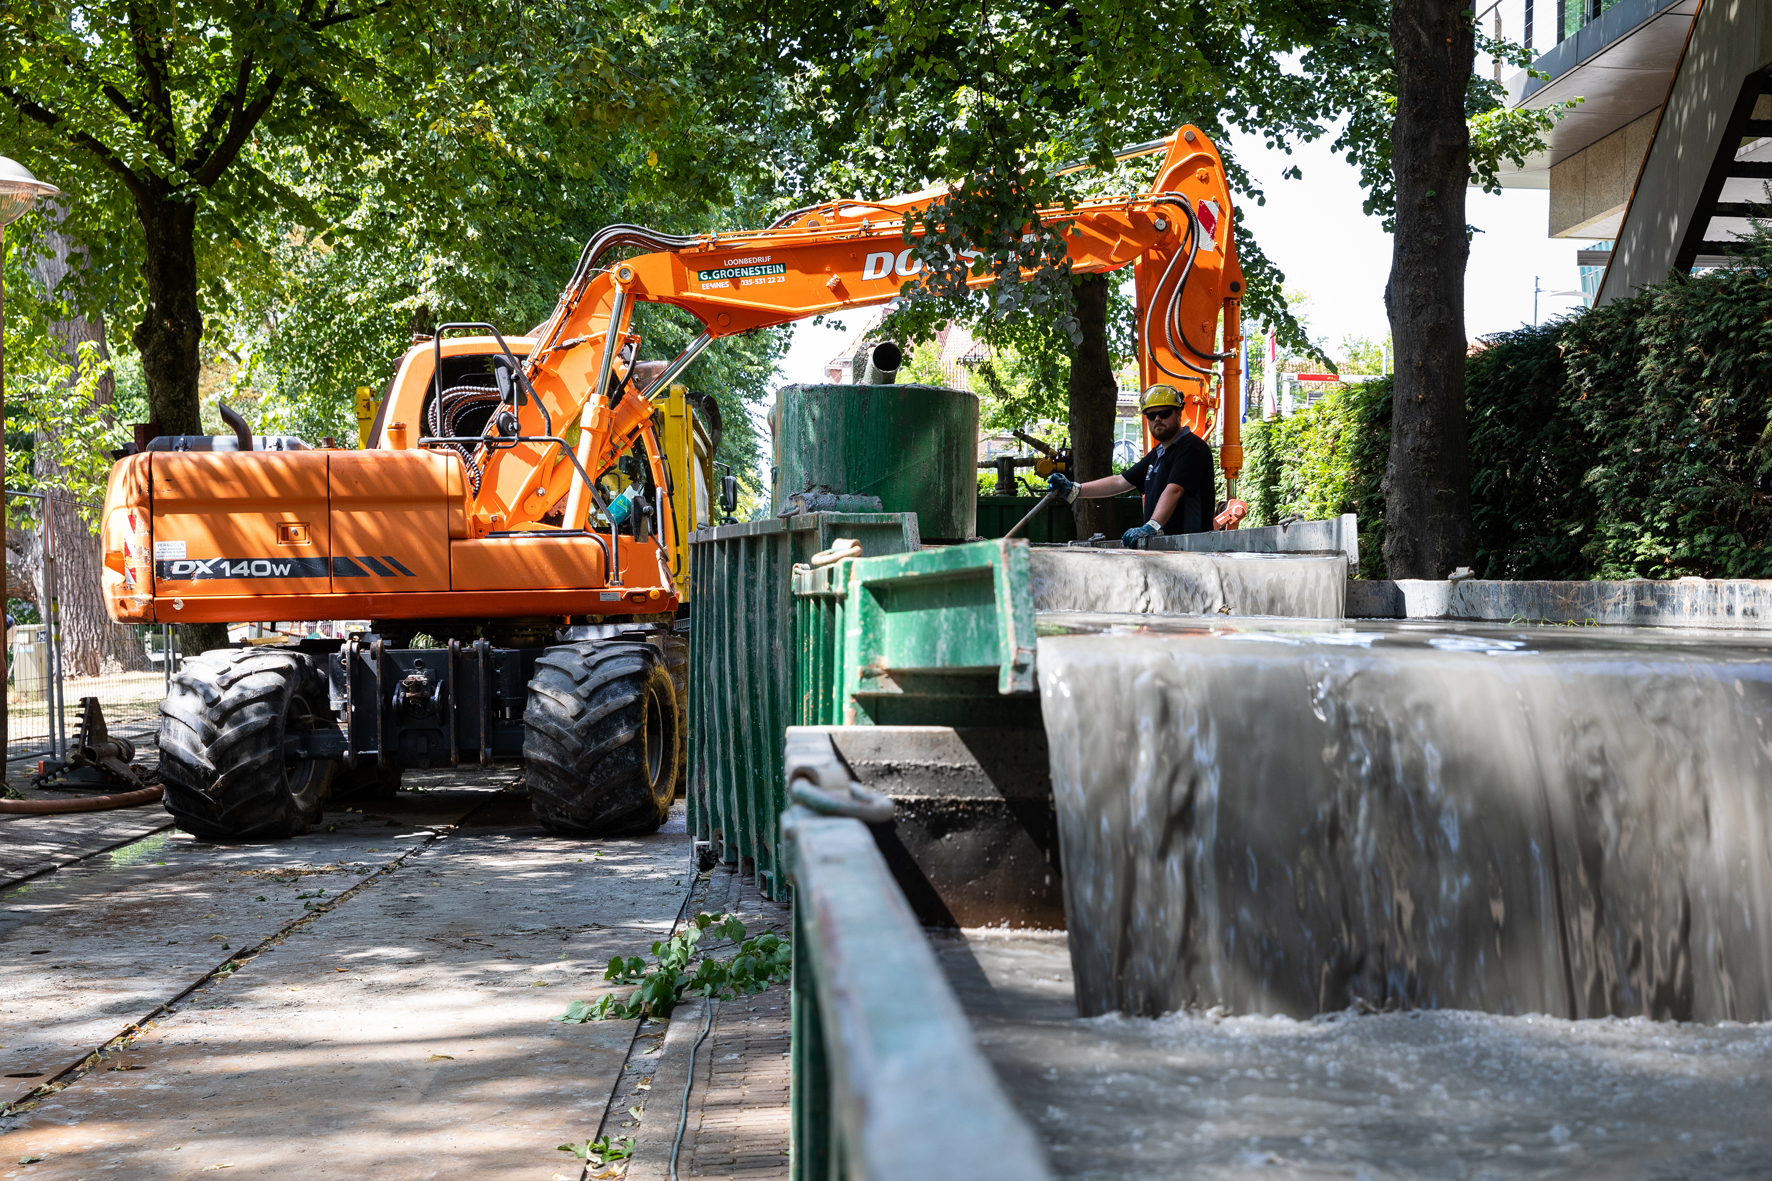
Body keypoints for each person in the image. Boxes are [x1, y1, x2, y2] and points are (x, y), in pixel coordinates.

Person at [1044, 384, 1214, 546]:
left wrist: (1152, 526)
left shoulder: (1192, 448)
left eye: (1164, 413)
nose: (1157, 419)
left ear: (1178, 413)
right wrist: (1074, 489)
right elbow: (1121, 481)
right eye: (1151, 415)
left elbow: (1174, 490)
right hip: (1169, 549)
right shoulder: (1158, 453)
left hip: (1190, 549)